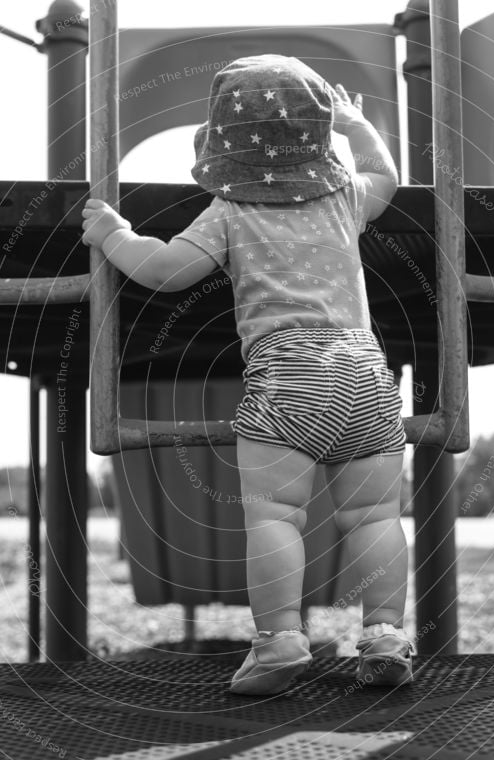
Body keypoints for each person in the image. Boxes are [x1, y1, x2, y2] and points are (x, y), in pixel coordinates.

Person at [82, 54, 413, 696]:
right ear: (317, 140)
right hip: (365, 374)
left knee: (273, 516)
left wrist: (114, 234)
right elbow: (385, 174)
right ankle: (386, 635)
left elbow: (166, 270)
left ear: (222, 151)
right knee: (374, 516)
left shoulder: (231, 209)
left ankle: (281, 640)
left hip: (288, 373)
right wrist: (354, 124)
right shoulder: (344, 196)